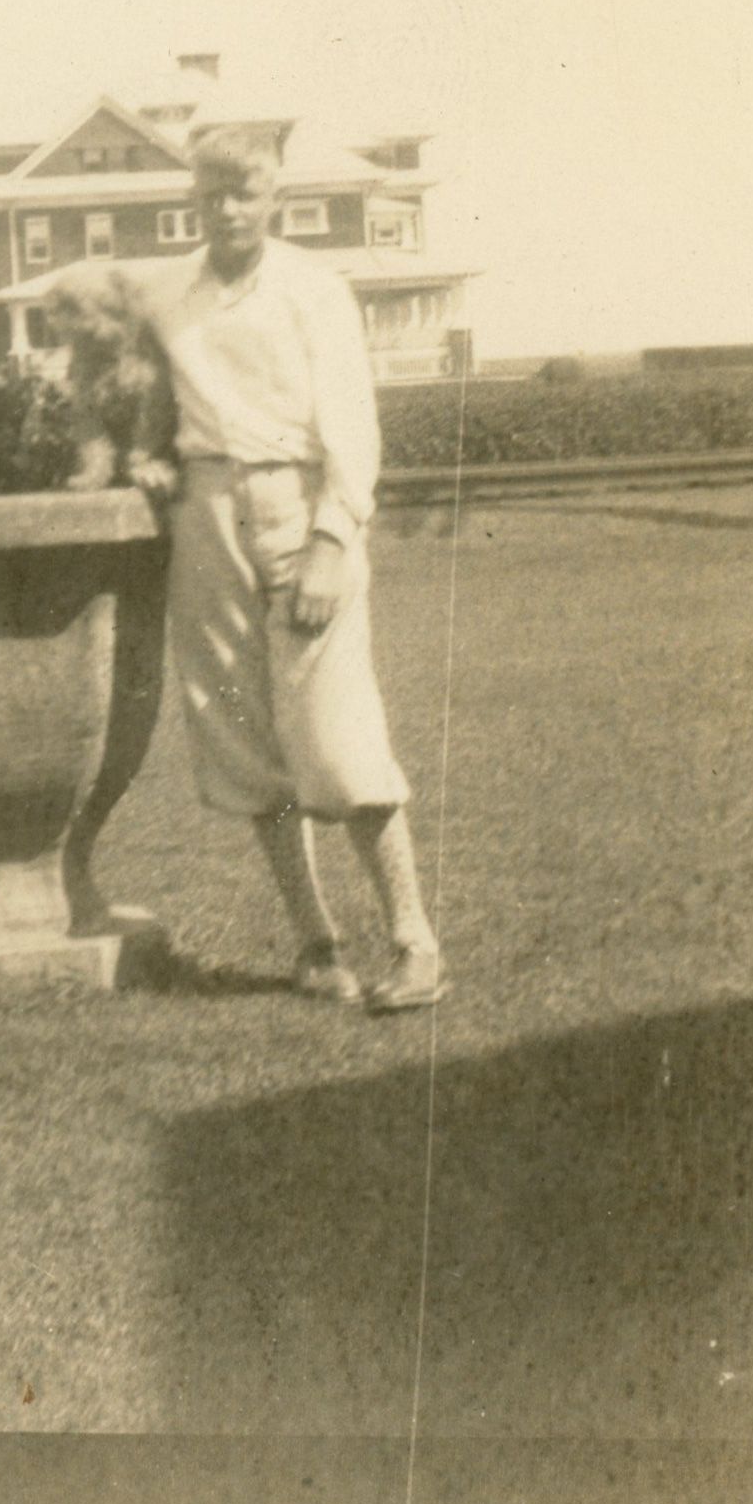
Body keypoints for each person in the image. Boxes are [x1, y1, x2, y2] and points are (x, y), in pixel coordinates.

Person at [146, 127, 447, 1012]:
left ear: (272, 197)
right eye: (211, 194)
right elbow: (145, 398)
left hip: (296, 504)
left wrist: (331, 539)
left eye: (244, 192)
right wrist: (147, 461)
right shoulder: (169, 296)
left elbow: (352, 423)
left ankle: (414, 942)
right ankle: (316, 943)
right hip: (205, 516)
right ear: (193, 199)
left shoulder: (313, 289)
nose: (227, 210)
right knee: (244, 743)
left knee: (337, 737)